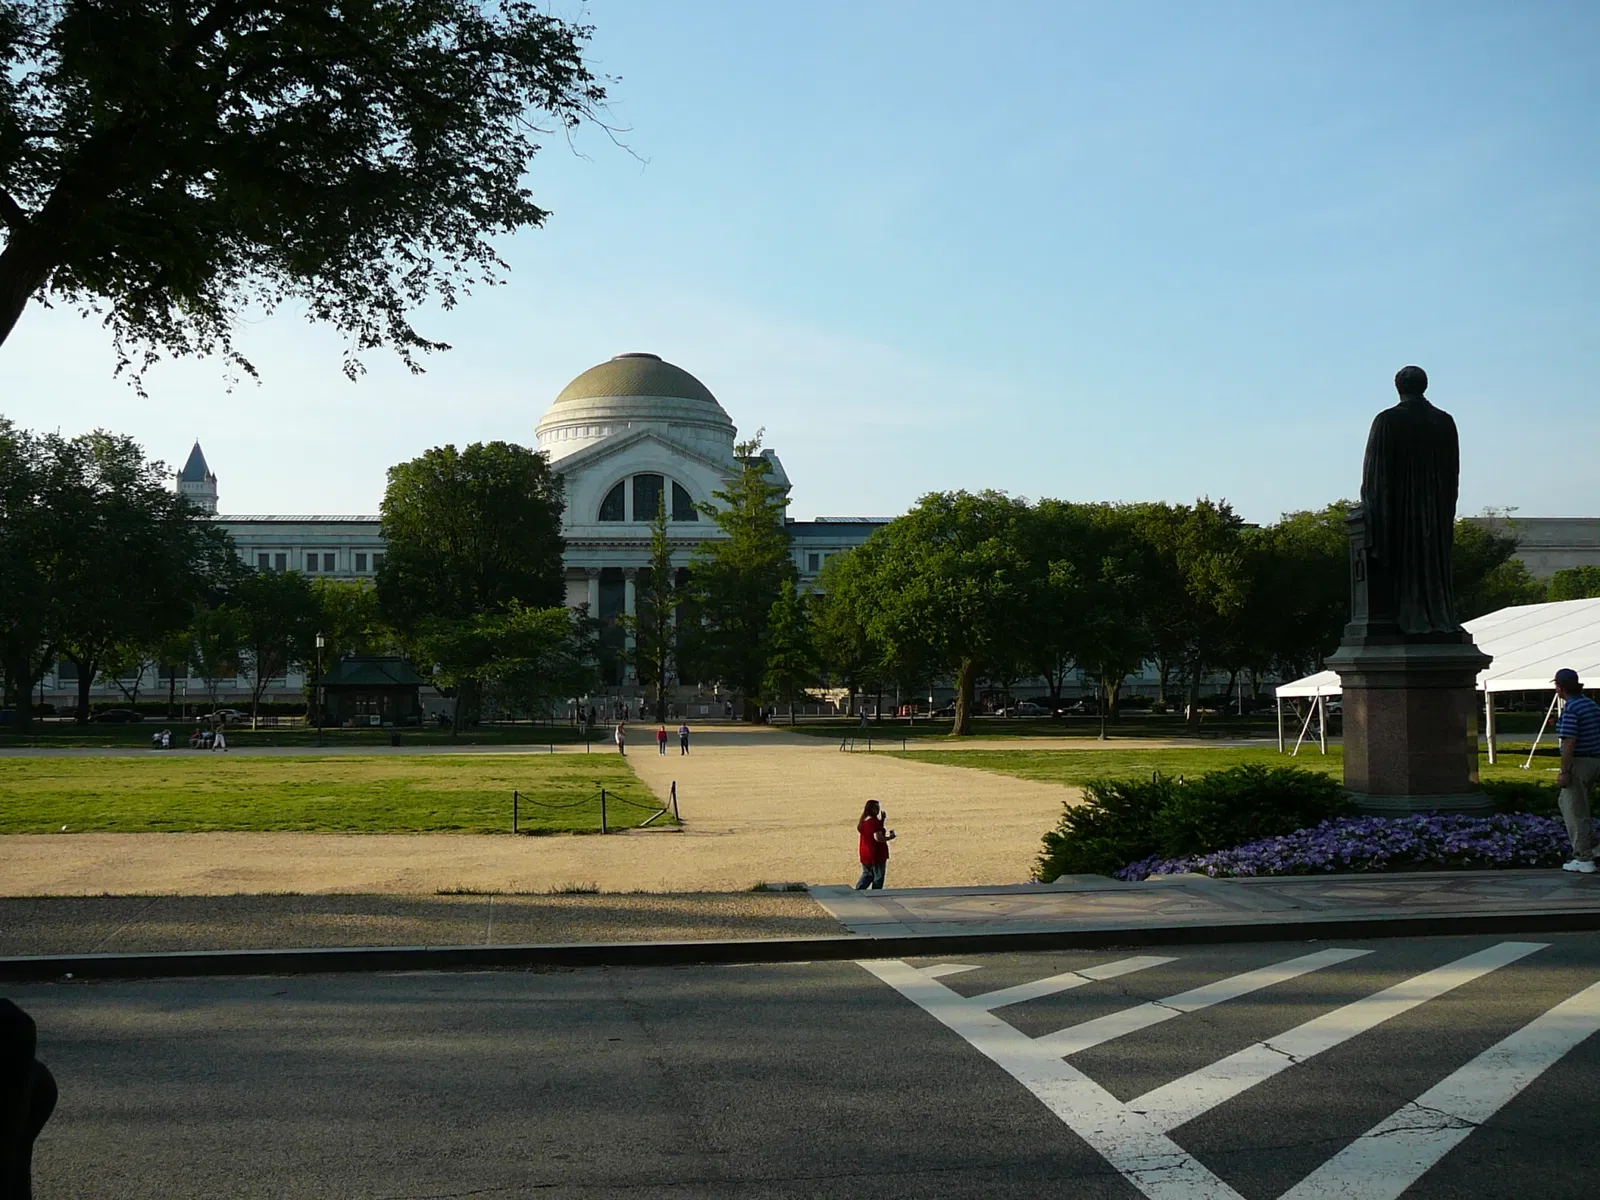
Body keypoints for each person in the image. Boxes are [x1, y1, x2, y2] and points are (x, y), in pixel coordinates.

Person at [1554, 668, 1600, 874]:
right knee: (1576, 805)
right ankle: (1592, 849)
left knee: (1574, 809)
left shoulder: (1571, 709)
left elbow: (1569, 742)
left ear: (1560, 688)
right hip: (1596, 759)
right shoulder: (1591, 704)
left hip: (1580, 762)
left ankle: (1583, 857)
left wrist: (1564, 771)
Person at [854, 799, 895, 890]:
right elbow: (878, 837)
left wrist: (882, 820)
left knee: (867, 875)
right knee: (878, 877)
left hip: (865, 853)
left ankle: (858, 891)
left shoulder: (863, 821)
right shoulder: (873, 822)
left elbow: (873, 831)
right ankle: (876, 894)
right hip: (876, 854)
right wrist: (890, 837)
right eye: (876, 808)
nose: (878, 810)